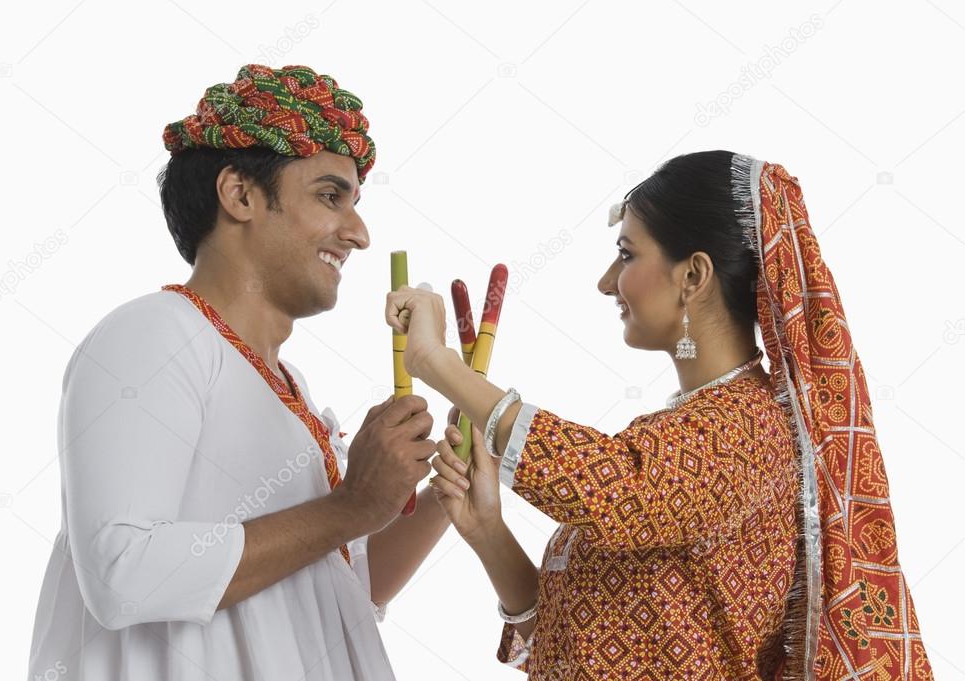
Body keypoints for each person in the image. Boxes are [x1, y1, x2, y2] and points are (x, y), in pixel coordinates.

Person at [388, 151, 932, 679]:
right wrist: (488, 532)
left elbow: (613, 487)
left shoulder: (745, 429)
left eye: (626, 255)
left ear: (693, 275)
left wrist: (435, 362)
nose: (607, 283)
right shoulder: (686, 434)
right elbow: (580, 649)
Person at [27, 64, 453, 681]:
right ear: (241, 194)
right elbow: (122, 573)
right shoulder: (156, 334)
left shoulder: (290, 386)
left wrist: (446, 486)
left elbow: (339, 594)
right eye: (331, 195)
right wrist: (352, 505)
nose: (359, 233)